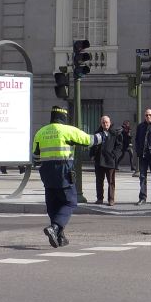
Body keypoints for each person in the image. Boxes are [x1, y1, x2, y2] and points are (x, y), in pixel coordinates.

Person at [32, 105, 102, 248]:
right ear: (64, 117)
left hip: (46, 173)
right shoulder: (68, 130)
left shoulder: (41, 132)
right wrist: (105, 135)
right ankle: (55, 228)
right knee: (70, 202)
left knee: (53, 205)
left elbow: (35, 157)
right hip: (63, 171)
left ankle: (59, 237)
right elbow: (89, 140)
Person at [90, 115, 120, 205]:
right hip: (99, 161)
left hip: (110, 161)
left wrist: (114, 155)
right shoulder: (97, 133)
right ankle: (100, 199)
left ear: (110, 123)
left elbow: (119, 146)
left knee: (111, 181)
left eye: (107, 122)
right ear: (101, 123)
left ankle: (111, 199)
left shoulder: (114, 133)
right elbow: (93, 144)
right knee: (99, 181)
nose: (105, 124)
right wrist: (92, 155)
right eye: (103, 122)